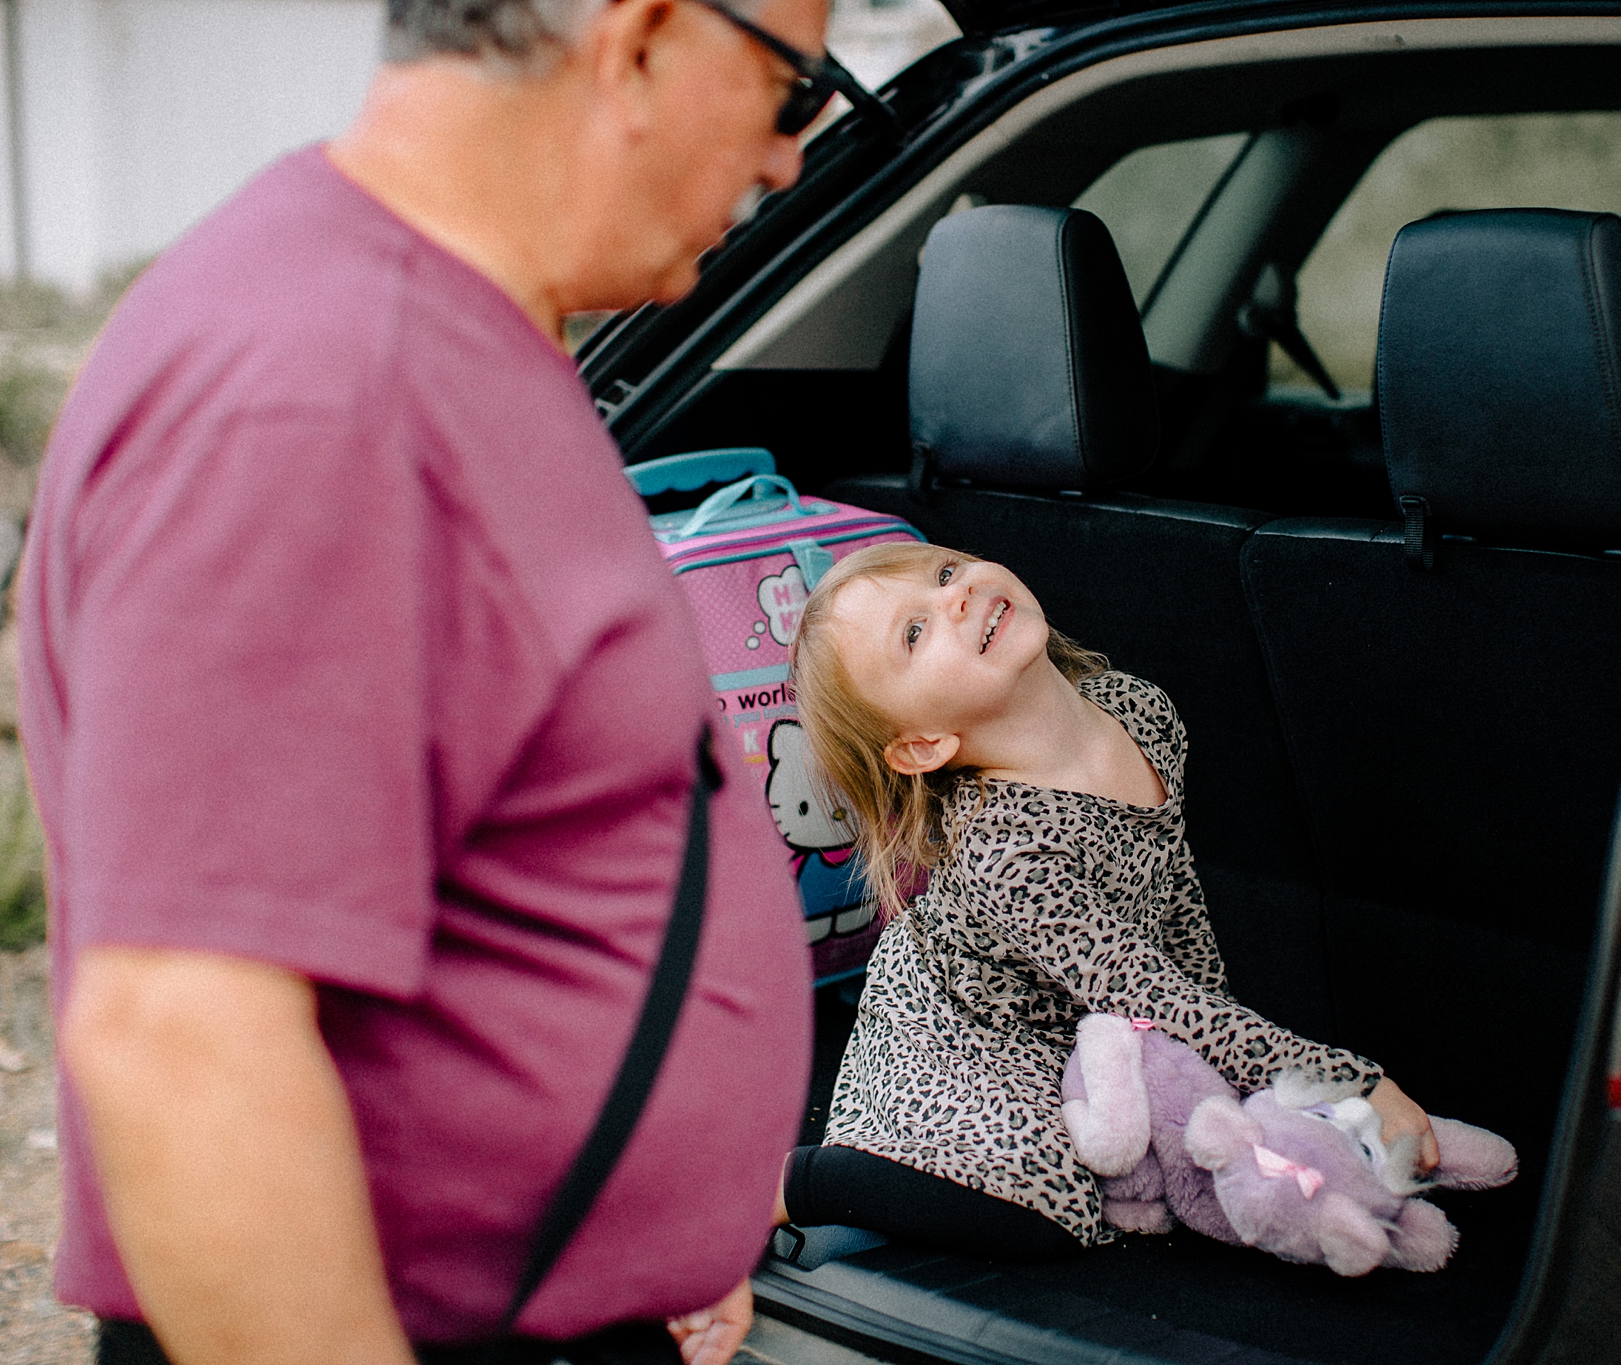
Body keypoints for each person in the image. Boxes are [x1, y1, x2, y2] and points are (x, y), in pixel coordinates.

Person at [17, 1, 840, 1362]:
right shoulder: (329, 387)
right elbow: (185, 1040)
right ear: (635, 40)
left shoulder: (424, 322)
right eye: (793, 91)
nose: (786, 163)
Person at [774, 543, 1440, 1258]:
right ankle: (802, 1182)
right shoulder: (1008, 852)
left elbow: (1174, 898)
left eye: (944, 572)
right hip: (970, 1033)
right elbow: (1150, 995)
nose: (956, 595)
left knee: (1137, 1157)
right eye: (915, 631)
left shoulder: (1139, 709)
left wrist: (1218, 1087)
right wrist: (1354, 1082)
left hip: (1085, 1015)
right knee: (1050, 1205)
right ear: (924, 744)